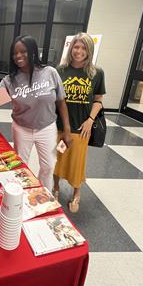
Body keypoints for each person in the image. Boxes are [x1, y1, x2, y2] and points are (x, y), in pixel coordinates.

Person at [0, 35, 71, 191]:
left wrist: (67, 130)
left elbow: (61, 102)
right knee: (20, 165)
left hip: (47, 128)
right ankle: (18, 195)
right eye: (15, 53)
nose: (18, 56)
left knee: (49, 166)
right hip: (21, 129)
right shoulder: (10, 80)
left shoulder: (50, 72)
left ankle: (43, 196)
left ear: (33, 51)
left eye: (23, 51)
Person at [53, 32, 106, 213]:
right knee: (58, 158)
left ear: (89, 50)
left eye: (83, 47)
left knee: (77, 162)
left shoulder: (96, 73)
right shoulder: (60, 70)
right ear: (70, 48)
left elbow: (98, 99)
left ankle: (77, 193)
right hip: (61, 126)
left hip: (82, 128)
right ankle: (56, 188)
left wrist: (90, 121)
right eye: (76, 46)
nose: (79, 51)